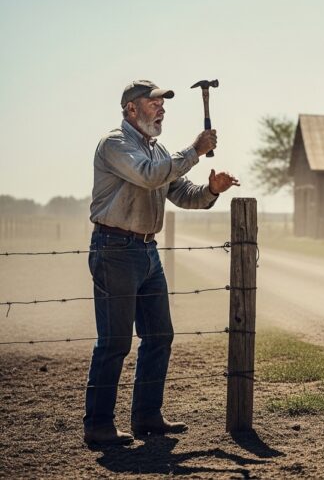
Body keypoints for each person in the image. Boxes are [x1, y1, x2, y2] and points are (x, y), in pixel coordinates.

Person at [83, 80, 240, 445]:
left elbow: (181, 193)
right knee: (115, 341)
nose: (161, 108)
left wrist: (211, 190)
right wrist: (196, 150)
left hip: (147, 250)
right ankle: (99, 424)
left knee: (159, 336)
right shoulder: (116, 144)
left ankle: (148, 417)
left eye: (163, 103)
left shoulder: (159, 150)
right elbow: (150, 175)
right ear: (130, 110)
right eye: (153, 102)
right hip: (115, 249)